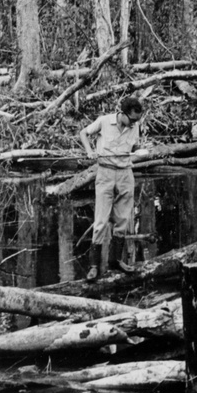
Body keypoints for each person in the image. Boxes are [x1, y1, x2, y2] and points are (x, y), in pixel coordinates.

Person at [78, 96, 145, 280]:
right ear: (122, 113)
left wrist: (140, 152)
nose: (133, 123)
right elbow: (83, 133)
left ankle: (116, 260)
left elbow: (136, 148)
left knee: (123, 219)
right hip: (106, 172)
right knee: (101, 220)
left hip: (125, 174)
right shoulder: (104, 121)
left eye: (136, 120)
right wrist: (89, 151)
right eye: (131, 119)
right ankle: (93, 266)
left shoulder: (135, 126)